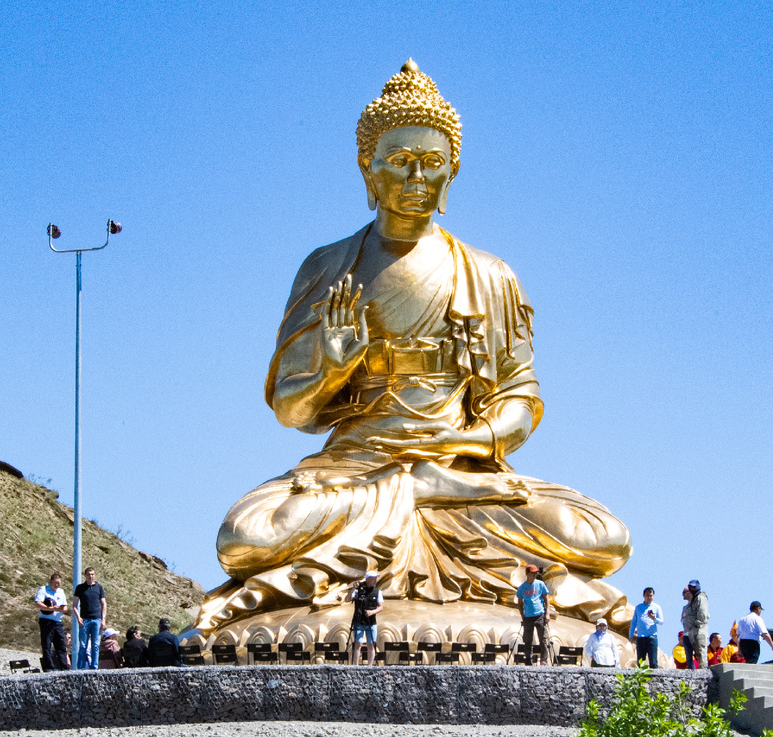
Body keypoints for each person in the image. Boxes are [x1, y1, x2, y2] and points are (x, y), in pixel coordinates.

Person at [194, 60, 633, 638]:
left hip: (462, 471)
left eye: (432, 163)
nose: (416, 178)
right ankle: (411, 493)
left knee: (598, 536)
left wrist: (465, 441)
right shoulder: (328, 267)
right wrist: (332, 365)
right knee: (247, 537)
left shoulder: (489, 274)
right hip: (353, 471)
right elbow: (291, 411)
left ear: (453, 170)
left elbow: (518, 396)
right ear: (368, 168)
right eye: (399, 162)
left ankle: (421, 490)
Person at [34, 572, 70, 672]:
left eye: (59, 583)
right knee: (47, 645)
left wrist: (61, 609)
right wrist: (50, 609)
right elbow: (38, 603)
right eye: (55, 583)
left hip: (58, 621)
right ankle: (48, 667)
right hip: (46, 621)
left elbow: (65, 607)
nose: (57, 585)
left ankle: (64, 667)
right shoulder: (43, 590)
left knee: (61, 645)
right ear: (50, 581)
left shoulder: (61, 592)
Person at [72, 567, 107, 670]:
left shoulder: (99, 588)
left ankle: (94, 667)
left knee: (95, 645)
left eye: (92, 574)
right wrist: (78, 617)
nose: (91, 576)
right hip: (85, 619)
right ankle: (81, 667)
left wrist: (103, 618)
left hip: (96, 619)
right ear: (85, 575)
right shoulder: (80, 588)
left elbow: (104, 604)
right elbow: (74, 605)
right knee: (83, 645)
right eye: (89, 574)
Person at [346, 571, 384, 665]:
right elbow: (347, 599)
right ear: (367, 579)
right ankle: (356, 665)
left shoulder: (377, 592)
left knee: (371, 644)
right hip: (359, 621)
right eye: (373, 579)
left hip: (371, 622)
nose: (375, 581)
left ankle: (370, 665)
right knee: (358, 643)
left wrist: (372, 612)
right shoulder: (359, 590)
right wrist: (352, 589)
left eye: (375, 578)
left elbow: (381, 607)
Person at [516, 564, 550, 665]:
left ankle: (543, 660)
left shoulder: (540, 584)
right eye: (532, 573)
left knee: (543, 639)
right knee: (528, 640)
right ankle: (528, 660)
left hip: (539, 614)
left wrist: (547, 613)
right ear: (527, 574)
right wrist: (523, 616)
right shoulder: (522, 587)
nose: (534, 575)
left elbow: (546, 599)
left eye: (536, 573)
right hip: (528, 616)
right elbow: (519, 604)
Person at [630, 587, 663, 668]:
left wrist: (654, 618)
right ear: (643, 595)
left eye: (650, 595)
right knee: (640, 661)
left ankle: (655, 678)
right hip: (641, 637)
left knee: (653, 660)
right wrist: (630, 635)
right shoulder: (638, 607)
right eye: (647, 595)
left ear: (653, 596)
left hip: (652, 637)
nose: (649, 597)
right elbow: (634, 622)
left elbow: (661, 621)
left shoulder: (656, 607)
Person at [681, 580, 709, 670]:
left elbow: (703, 614)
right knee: (691, 655)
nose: (692, 589)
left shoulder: (701, 597)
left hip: (699, 630)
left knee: (701, 652)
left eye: (694, 587)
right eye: (690, 587)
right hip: (690, 631)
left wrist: (696, 623)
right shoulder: (692, 601)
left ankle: (703, 672)